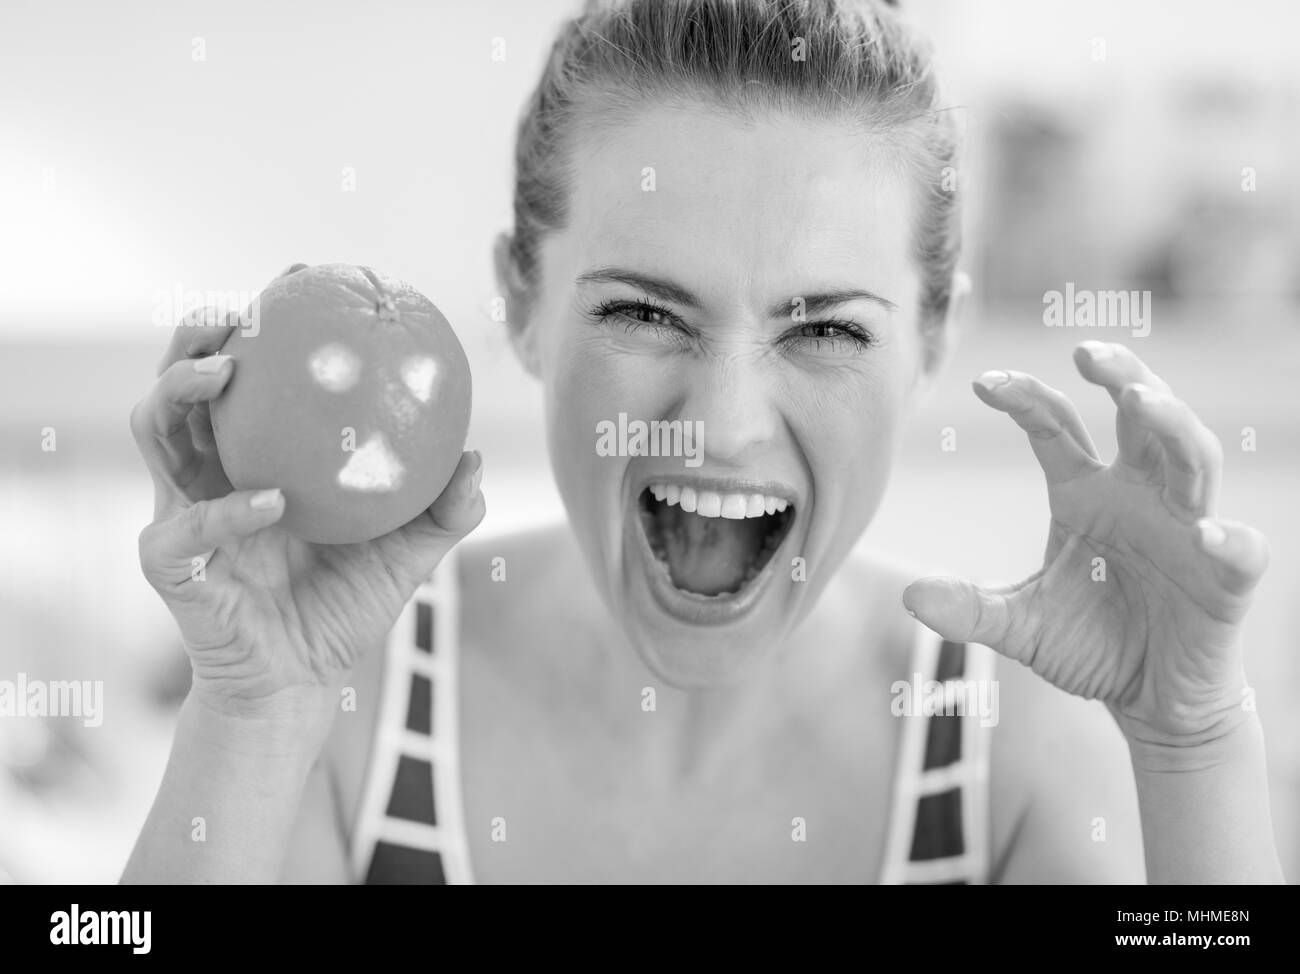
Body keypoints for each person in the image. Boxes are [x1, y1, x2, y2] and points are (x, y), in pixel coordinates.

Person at [123, 0, 1283, 883]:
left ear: (934, 338)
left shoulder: (1012, 745)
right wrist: (253, 711)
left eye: (824, 326)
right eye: (641, 312)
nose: (722, 426)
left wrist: (1191, 741)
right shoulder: (346, 696)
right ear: (521, 303)